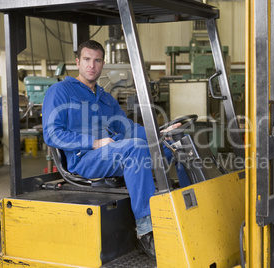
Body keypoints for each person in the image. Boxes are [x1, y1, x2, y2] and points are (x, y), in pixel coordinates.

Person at [42, 40, 190, 260]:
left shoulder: (104, 97)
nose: (92, 65)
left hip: (114, 151)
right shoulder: (60, 91)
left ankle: (189, 213)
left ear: (102, 64)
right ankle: (146, 229)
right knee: (135, 149)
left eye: (97, 60)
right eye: (87, 59)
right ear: (77, 62)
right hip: (85, 159)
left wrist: (161, 132)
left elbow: (129, 129)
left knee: (179, 144)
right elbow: (52, 134)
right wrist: (94, 142)